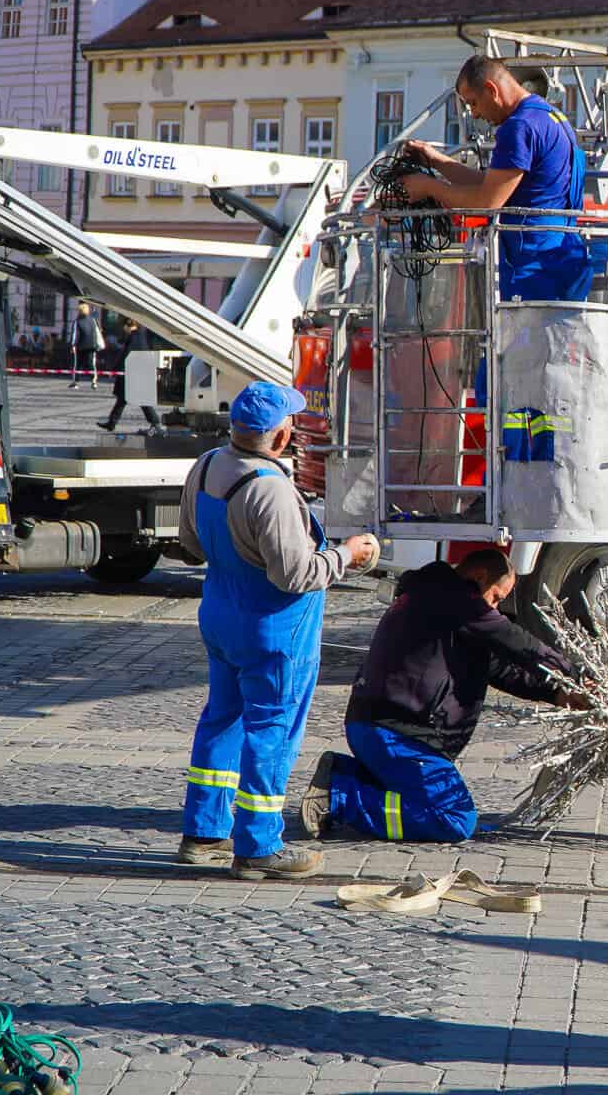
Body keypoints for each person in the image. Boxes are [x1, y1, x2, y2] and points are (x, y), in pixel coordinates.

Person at [176, 382, 380, 879]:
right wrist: (349, 555)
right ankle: (259, 846)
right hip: (274, 632)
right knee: (272, 731)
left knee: (222, 720)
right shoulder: (268, 489)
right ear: (282, 436)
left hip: (221, 617)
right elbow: (296, 575)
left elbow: (190, 544)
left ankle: (203, 833)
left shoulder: (206, 466)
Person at [300, 550, 572, 843]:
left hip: (382, 729)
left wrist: (557, 693)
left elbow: (500, 669)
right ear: (478, 577)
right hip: (398, 733)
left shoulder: (439, 604)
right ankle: (340, 798)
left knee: (428, 802)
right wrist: (578, 676)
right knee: (455, 818)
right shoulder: (455, 600)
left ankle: (343, 774)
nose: (495, 609)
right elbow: (513, 639)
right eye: (495, 597)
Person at [399, 56, 590, 302]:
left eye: (474, 103)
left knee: (523, 341)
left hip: (532, 266)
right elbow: (491, 184)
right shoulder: (550, 117)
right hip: (563, 259)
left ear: (491, 89)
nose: (475, 114)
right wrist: (437, 161)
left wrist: (428, 187)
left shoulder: (518, 127)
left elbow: (486, 202)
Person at [98, 320, 164, 433]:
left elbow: (126, 355)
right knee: (123, 400)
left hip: (131, 372)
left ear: (130, 326)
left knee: (138, 399)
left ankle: (155, 422)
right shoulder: (140, 335)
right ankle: (111, 423)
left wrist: (116, 370)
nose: (124, 329)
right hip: (137, 371)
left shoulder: (135, 336)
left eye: (125, 327)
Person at [70, 302, 104, 389]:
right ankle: (94, 381)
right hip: (92, 346)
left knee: (77, 364)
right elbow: (98, 331)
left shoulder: (77, 321)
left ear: (79, 311)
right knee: (91, 364)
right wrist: (97, 344)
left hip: (80, 346)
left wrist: (73, 345)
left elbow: (75, 334)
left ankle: (75, 382)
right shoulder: (93, 320)